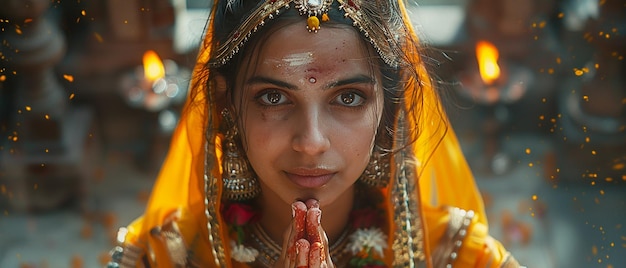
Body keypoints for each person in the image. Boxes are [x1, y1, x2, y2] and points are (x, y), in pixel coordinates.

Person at [108, 0, 524, 267]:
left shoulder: (459, 256)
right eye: (273, 98)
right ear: (226, 105)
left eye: (348, 98)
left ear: (388, 108)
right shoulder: (162, 256)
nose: (310, 142)